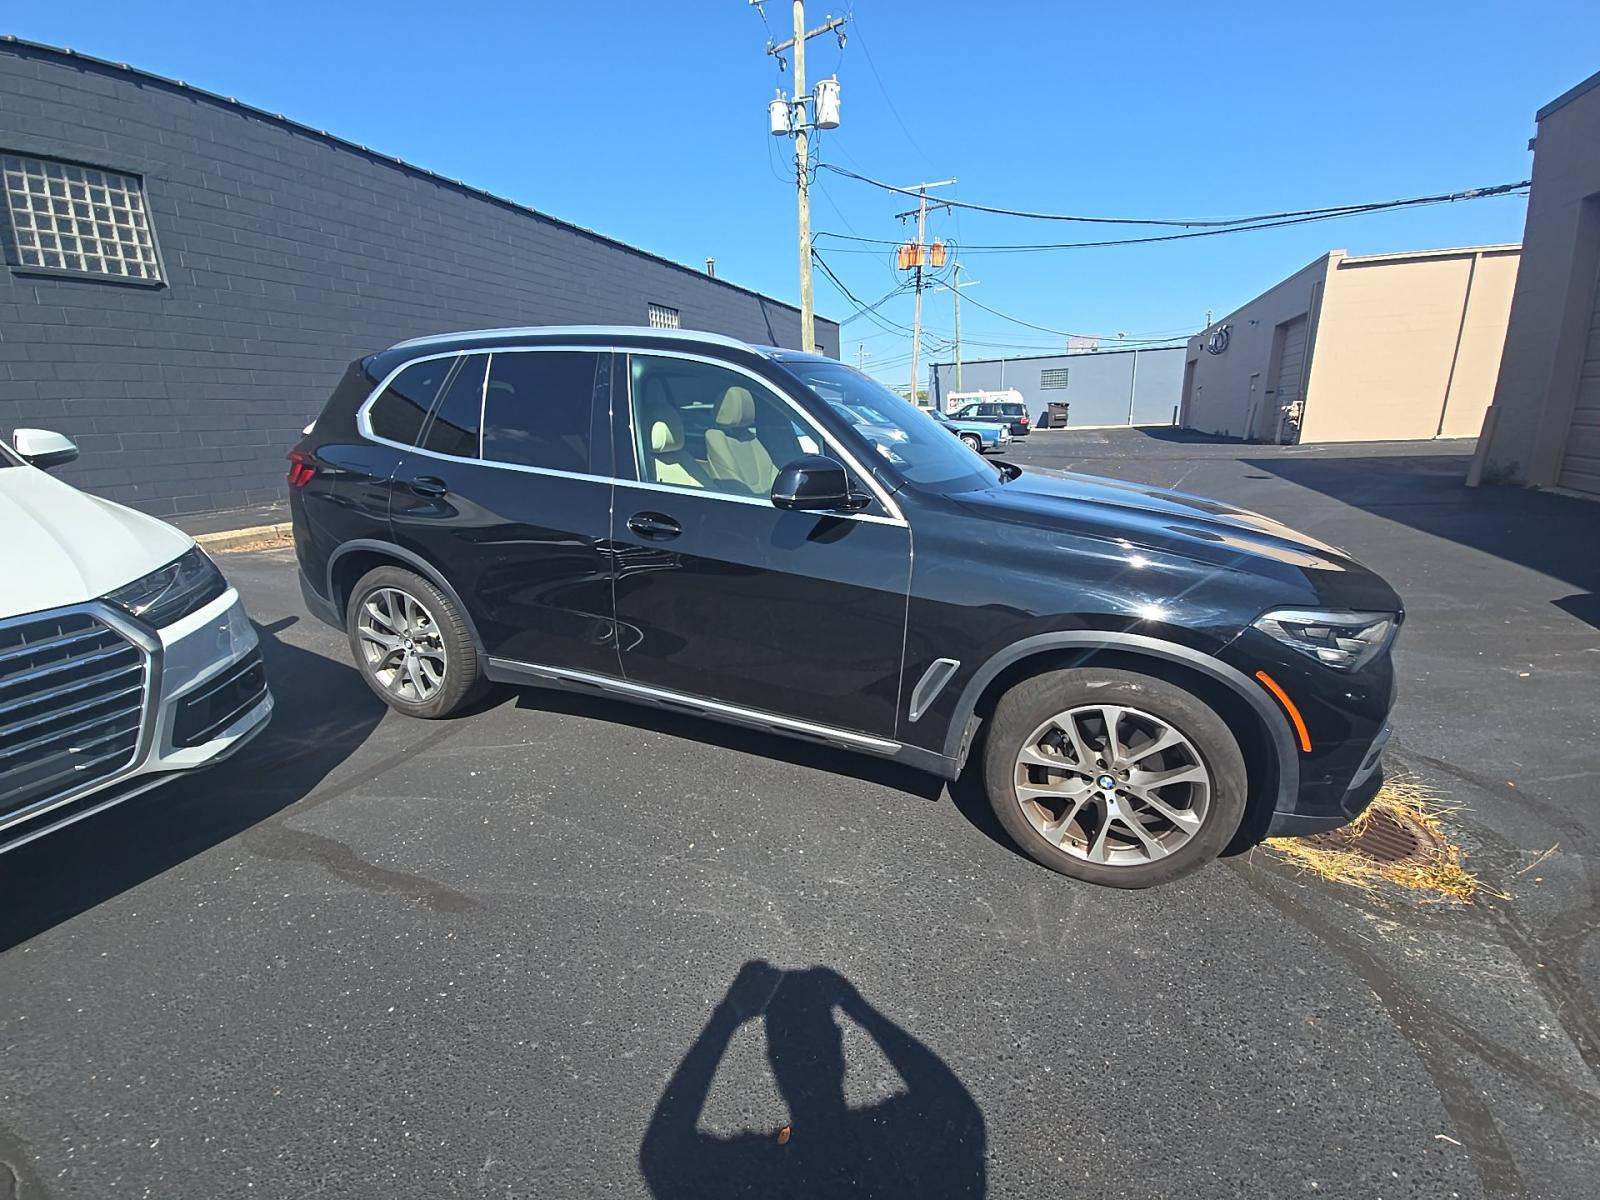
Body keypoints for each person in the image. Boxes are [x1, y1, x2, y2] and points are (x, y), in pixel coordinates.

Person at [640, 960, 986, 1198]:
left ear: (773, 1063)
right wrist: (861, 1009)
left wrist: (726, 1019)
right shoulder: (887, 1153)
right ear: (839, 1053)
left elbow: (663, 1155)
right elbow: (954, 1106)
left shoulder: (765, 1174)